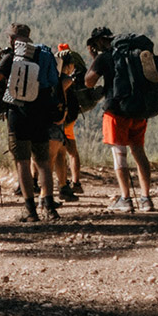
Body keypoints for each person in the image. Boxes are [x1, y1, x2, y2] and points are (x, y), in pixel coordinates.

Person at [84, 26, 158, 213]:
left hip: (116, 111)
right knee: (139, 152)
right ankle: (146, 199)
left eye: (95, 44)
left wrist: (95, 59)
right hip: (139, 109)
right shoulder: (134, 54)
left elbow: (89, 81)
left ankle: (126, 199)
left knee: (119, 154)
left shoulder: (105, 57)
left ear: (100, 41)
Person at [0, 23, 59, 222]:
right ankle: (50, 207)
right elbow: (54, 81)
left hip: (18, 114)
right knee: (43, 162)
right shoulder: (44, 54)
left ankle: (30, 210)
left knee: (22, 162)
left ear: (12, 39)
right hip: (41, 112)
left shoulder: (10, 57)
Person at [52, 43, 88, 201]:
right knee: (69, 152)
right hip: (68, 120)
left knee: (57, 153)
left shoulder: (56, 77)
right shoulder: (69, 79)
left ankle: (39, 183)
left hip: (61, 120)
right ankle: (73, 183)